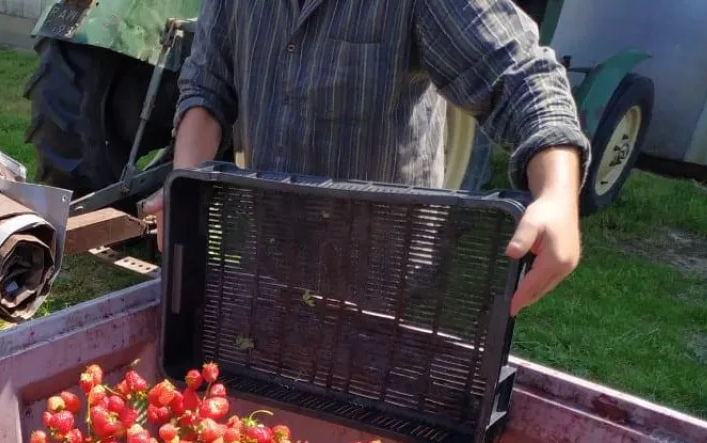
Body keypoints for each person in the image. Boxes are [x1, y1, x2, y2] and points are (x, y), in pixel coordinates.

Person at [143, 0, 588, 315]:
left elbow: (518, 75)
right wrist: (186, 181)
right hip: (270, 257)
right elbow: (207, 86)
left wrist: (557, 192)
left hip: (382, 279)